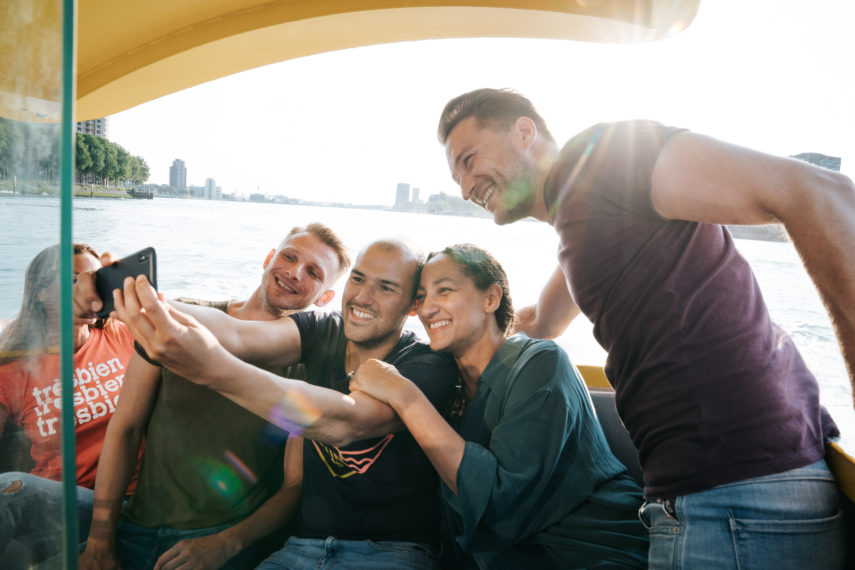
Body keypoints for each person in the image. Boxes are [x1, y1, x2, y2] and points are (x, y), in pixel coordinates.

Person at [436, 88, 851, 568]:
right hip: (710, 491)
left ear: (524, 131)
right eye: (456, 177)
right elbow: (541, 322)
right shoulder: (581, 224)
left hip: (738, 496)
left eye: (469, 160)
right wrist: (439, 326)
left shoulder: (606, 160)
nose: (466, 188)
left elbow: (818, 191)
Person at [88, 238, 457, 569]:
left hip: (390, 551)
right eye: (358, 279)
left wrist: (211, 369)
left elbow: (346, 423)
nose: (363, 297)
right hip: (301, 547)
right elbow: (235, 332)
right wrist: (146, 299)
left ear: (414, 305)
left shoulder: (426, 366)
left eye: (386, 288)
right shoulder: (323, 330)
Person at [350, 243, 648, 569]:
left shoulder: (542, 363)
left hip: (597, 552)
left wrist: (404, 395)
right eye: (420, 298)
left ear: (490, 299)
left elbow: (498, 500)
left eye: (444, 291)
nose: (427, 310)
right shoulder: (448, 389)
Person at [78, 223, 352, 570]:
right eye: (289, 256)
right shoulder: (183, 320)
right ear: (269, 258)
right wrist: (101, 541)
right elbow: (126, 428)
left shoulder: (303, 369)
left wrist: (225, 544)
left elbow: (292, 484)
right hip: (134, 525)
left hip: (221, 541)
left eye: (313, 272)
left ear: (324, 298)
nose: (295, 272)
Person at [0, 244, 137, 566]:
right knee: (10, 491)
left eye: (96, 279)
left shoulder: (123, 335)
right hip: (59, 506)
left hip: (130, 500)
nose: (89, 289)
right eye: (75, 280)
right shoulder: (13, 370)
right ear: (41, 294)